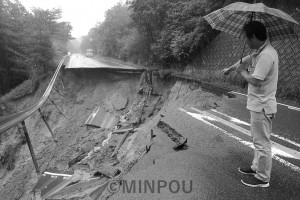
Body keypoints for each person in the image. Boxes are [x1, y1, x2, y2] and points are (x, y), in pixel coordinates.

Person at [221, 20, 278, 188]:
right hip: (257, 105)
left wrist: (242, 72)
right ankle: (256, 167)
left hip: (262, 106)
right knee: (257, 140)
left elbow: (256, 81)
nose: (245, 41)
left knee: (262, 143)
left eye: (246, 37)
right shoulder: (258, 52)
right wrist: (230, 69)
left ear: (253, 37)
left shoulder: (266, 55)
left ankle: (262, 178)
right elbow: (242, 62)